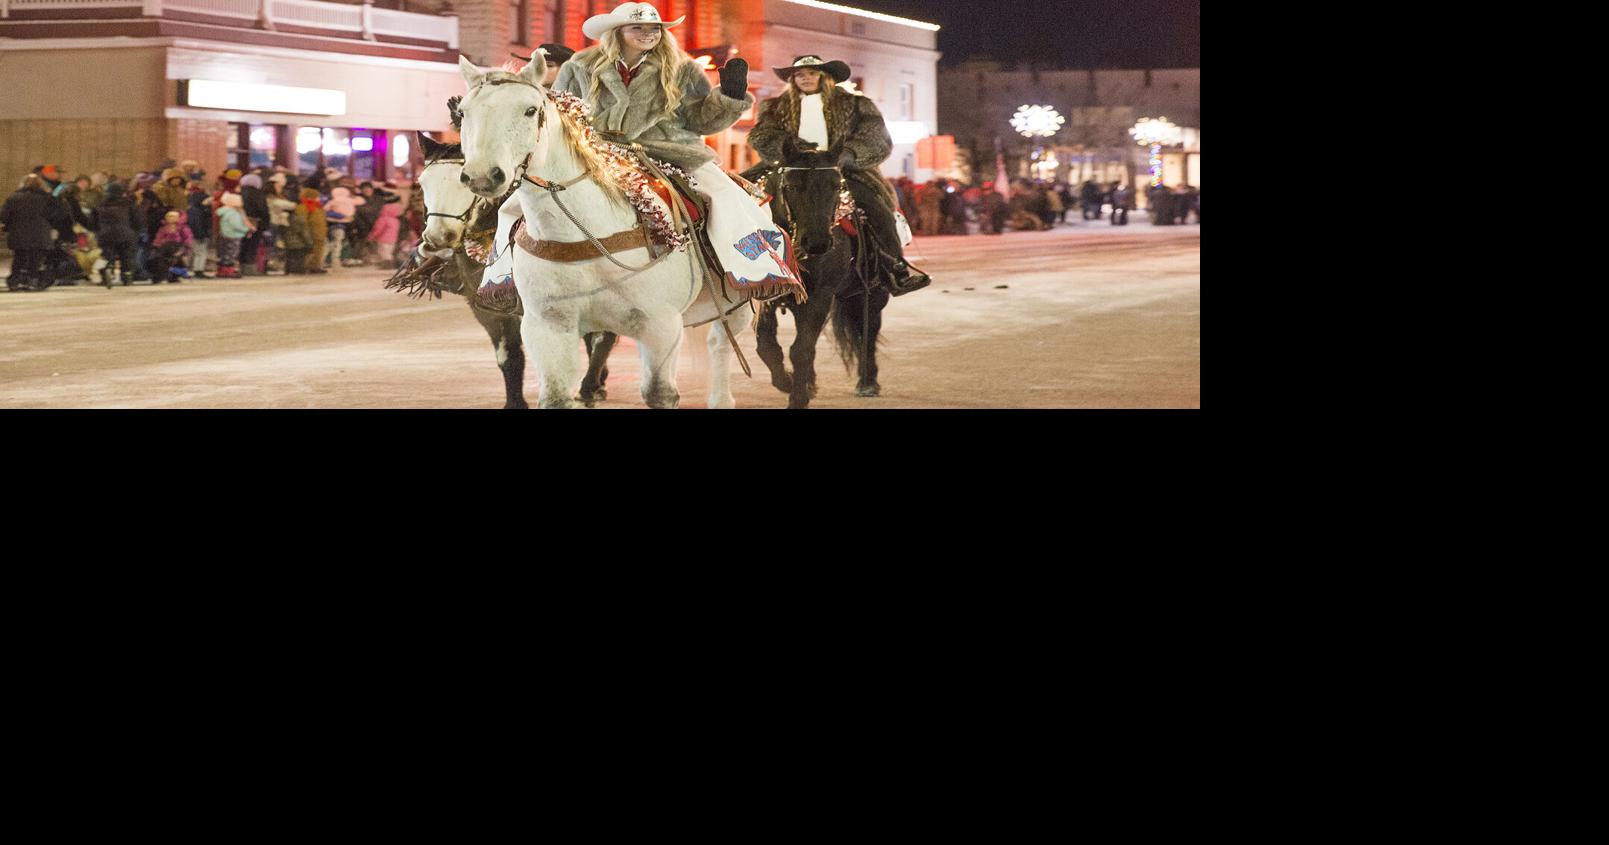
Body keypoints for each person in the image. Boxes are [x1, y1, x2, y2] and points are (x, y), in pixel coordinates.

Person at [551, 3, 803, 300]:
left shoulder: (682, 69)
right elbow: (560, 115)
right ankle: (506, 276)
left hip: (672, 151)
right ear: (617, 32)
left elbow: (702, 120)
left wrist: (729, 96)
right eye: (638, 28)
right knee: (523, 201)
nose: (648, 34)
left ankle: (759, 268)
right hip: (597, 153)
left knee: (728, 195)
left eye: (654, 28)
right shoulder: (578, 66)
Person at [747, 54, 929, 294]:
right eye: (800, 75)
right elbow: (762, 135)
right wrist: (789, 149)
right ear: (793, 79)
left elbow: (875, 136)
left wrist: (849, 154)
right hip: (792, 167)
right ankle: (738, 261)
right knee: (743, 195)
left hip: (839, 168)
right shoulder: (774, 107)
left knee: (876, 206)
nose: (806, 79)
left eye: (811, 73)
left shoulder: (855, 104)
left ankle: (895, 268)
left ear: (824, 76)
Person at [3, 174, 68, 290]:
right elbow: (60, 213)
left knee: (19, 257)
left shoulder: (14, 197)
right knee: (36, 258)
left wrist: (9, 225)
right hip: (41, 233)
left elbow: (3, 216)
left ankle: (15, 280)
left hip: (19, 233)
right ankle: (32, 280)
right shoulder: (48, 198)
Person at [94, 182, 140, 284]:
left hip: (106, 234)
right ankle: (127, 277)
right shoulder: (128, 204)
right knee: (127, 256)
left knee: (106, 256)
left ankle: (106, 271)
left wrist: (98, 232)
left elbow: (92, 222)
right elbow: (137, 220)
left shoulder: (100, 205)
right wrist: (135, 232)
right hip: (126, 234)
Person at [323, 184, 364, 269]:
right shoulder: (349, 200)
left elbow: (325, 210)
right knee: (338, 243)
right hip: (345, 224)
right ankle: (335, 261)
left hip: (334, 224)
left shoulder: (332, 201)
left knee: (334, 243)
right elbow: (361, 201)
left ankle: (328, 260)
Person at [149, 210, 194, 283]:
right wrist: (155, 246)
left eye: (173, 217)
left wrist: (184, 248)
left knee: (176, 260)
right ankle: (161, 276)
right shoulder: (163, 228)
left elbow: (188, 238)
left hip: (178, 248)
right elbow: (158, 238)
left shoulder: (182, 227)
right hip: (164, 249)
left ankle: (176, 275)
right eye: (169, 217)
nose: (171, 218)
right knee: (159, 259)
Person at [215, 192, 252, 278]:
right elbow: (236, 225)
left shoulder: (224, 211)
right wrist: (246, 229)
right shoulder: (233, 213)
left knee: (224, 253)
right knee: (232, 253)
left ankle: (221, 270)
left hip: (224, 235)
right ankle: (229, 271)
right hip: (233, 235)